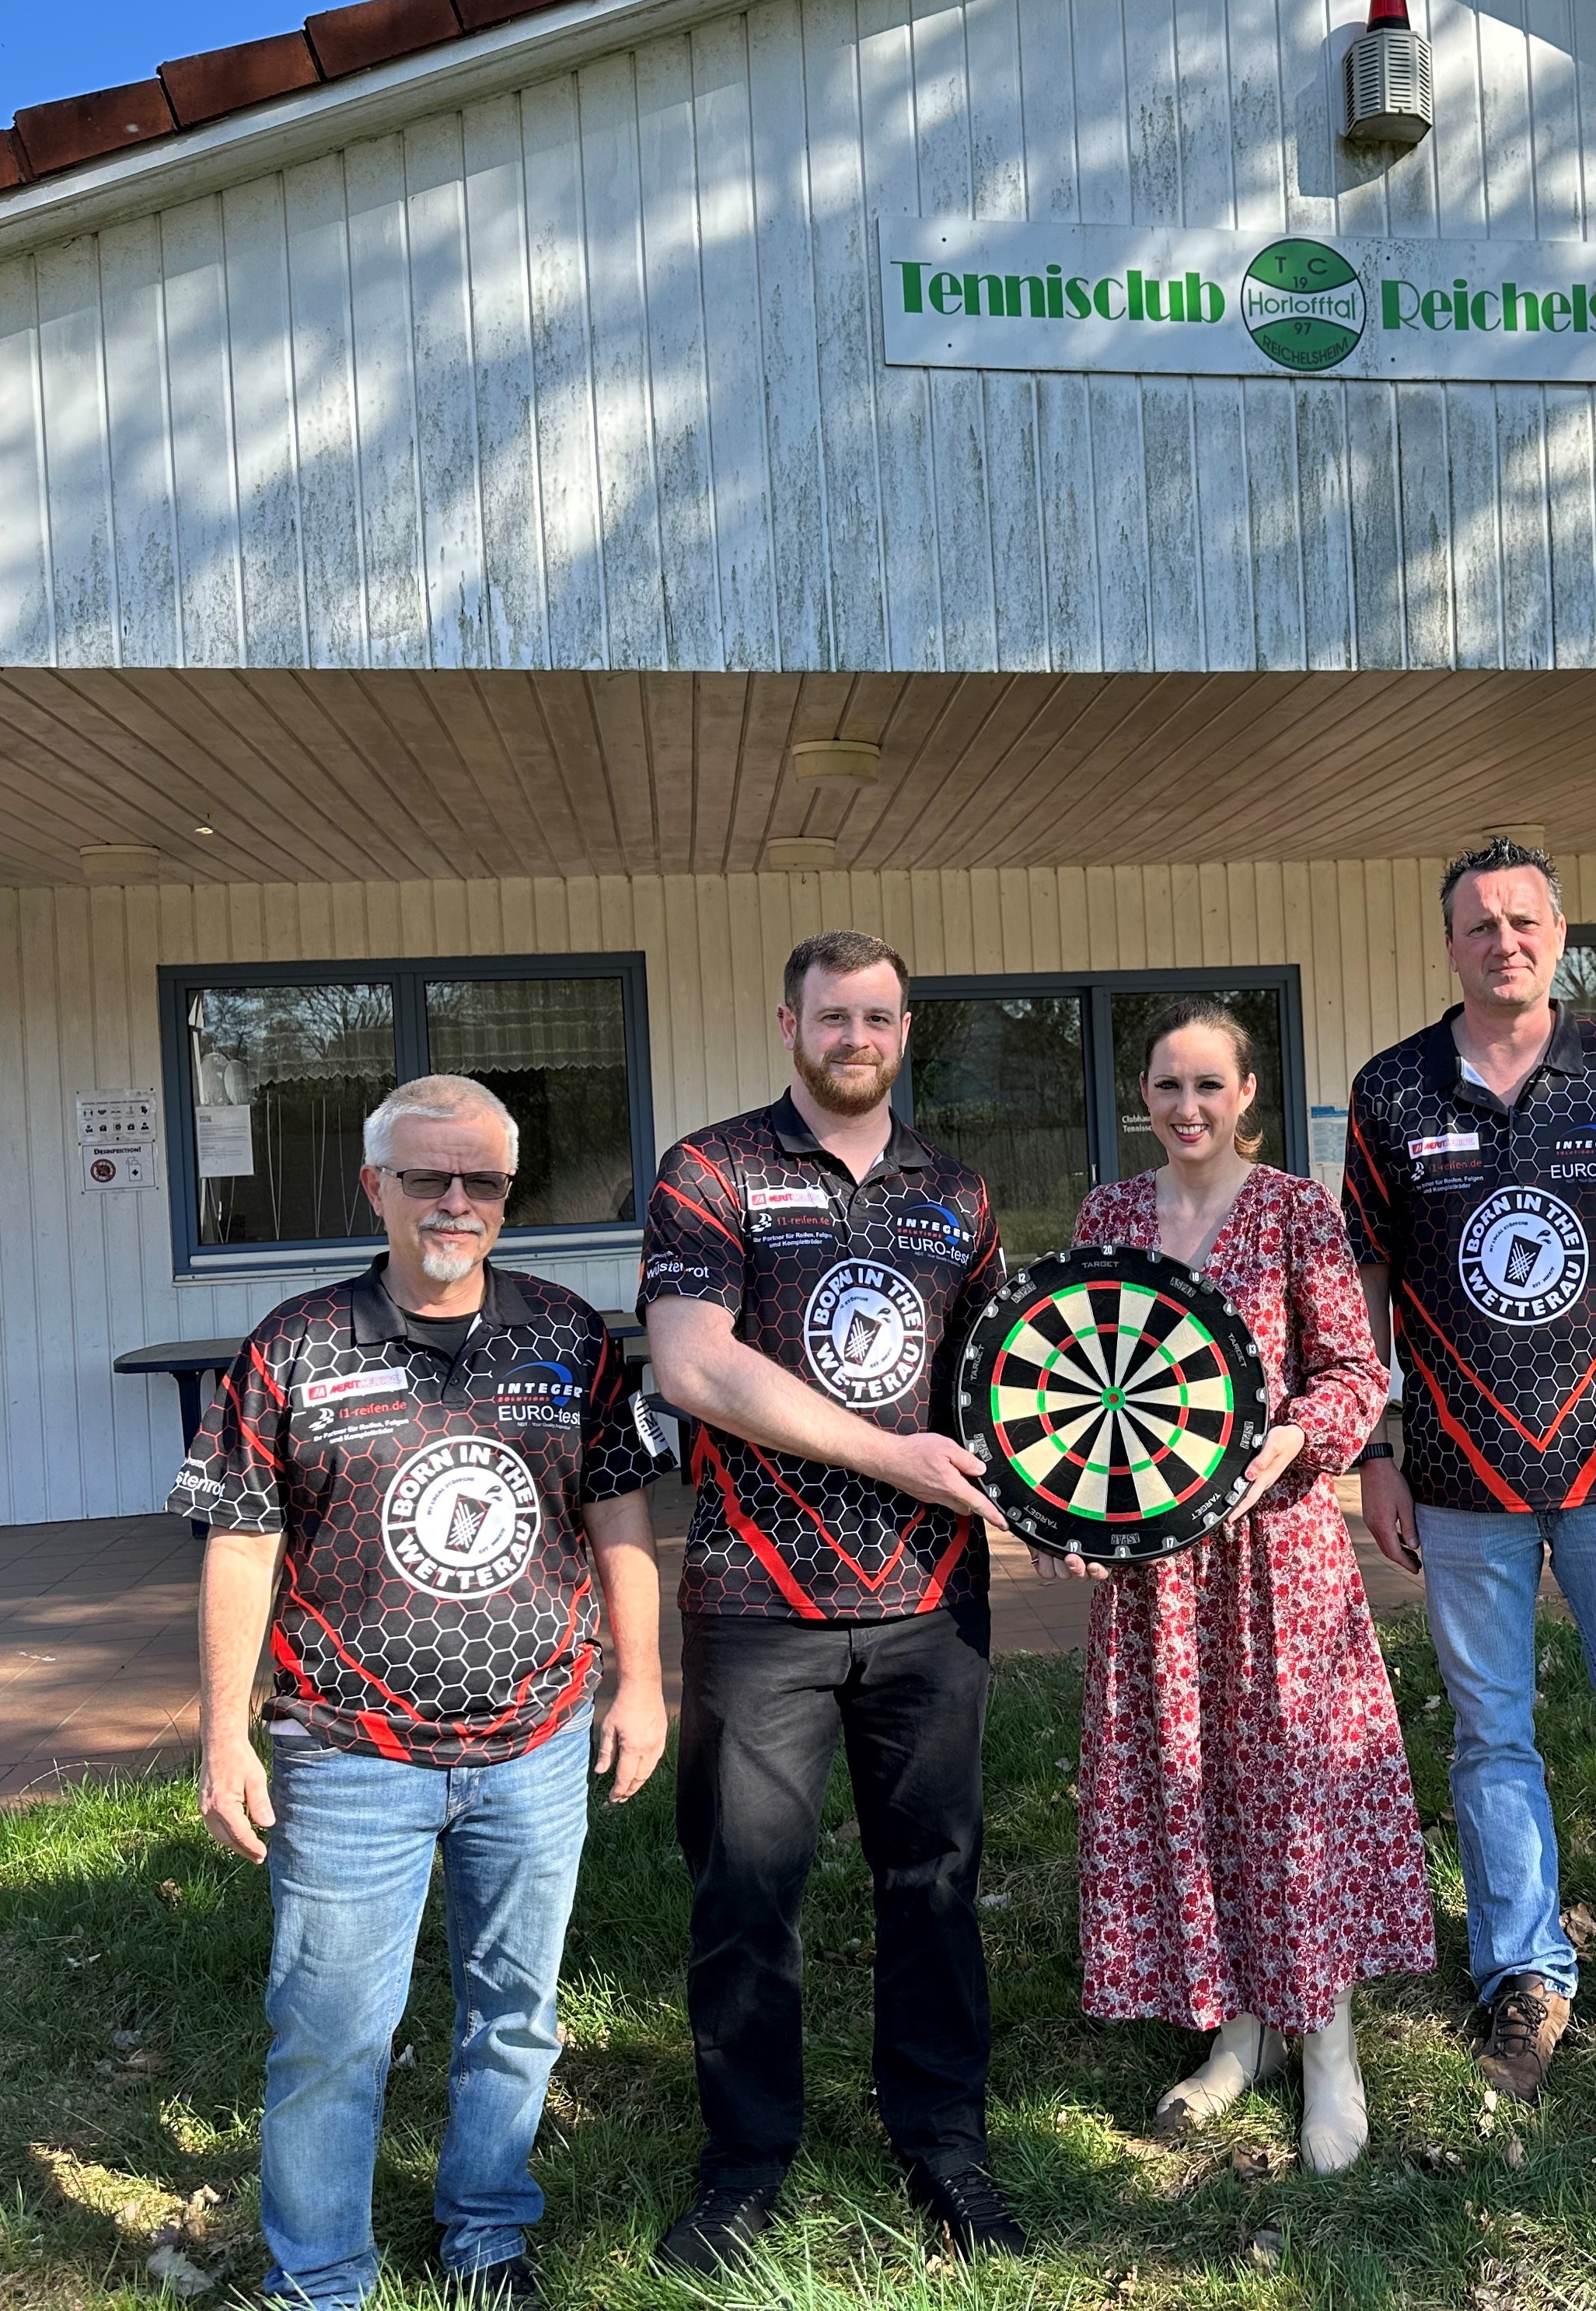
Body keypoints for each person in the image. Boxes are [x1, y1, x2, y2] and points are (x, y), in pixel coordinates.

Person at [176, 1073, 669, 2309]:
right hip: (348, 1753)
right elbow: (240, 1543)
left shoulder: (567, 1334)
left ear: (508, 1194)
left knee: (515, 2014)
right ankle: (321, 2279)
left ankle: (488, 2234)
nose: (457, 1202)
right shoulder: (292, 1344)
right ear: (375, 1190)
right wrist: (222, 1736)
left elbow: (620, 1519)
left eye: (484, 1181)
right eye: (428, 1178)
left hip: (539, 1741)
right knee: (332, 2032)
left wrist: (642, 1682)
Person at [1342, 836, 1596, 2103]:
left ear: (1560, 935)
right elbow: (1361, 1277)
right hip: (1459, 1478)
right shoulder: (1393, 1089)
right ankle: (1524, 1974)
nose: (1503, 941)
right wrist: (1376, 1450)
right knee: (1489, 1738)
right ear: (1449, 944)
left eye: (1524, 921)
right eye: (1479, 925)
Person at [638, 931, 1025, 2271]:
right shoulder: (713, 1170)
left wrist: (1082, 1496)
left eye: (879, 1018)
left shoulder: (960, 1195)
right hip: (758, 1599)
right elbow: (694, 1366)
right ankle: (744, 2166)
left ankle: (946, 2149)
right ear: (787, 1025)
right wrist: (894, 1456)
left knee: (935, 1880)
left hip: (931, 1600)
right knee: (748, 1890)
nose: (855, 1038)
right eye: (832, 1017)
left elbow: (1006, 1384)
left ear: (905, 1032)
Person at [1039, 998, 1433, 2173]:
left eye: (1210, 1085)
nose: (1189, 1108)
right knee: (1194, 1786)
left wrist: (1289, 1441)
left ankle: (1329, 2049)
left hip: (1277, 1555)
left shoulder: (1294, 1211)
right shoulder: (1110, 1213)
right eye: (1168, 1086)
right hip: (1157, 1568)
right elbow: (1072, 1378)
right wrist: (1072, 1502)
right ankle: (1236, 2033)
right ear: (1143, 1097)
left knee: (1291, 1791)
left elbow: (1358, 1371)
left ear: (1248, 1092)